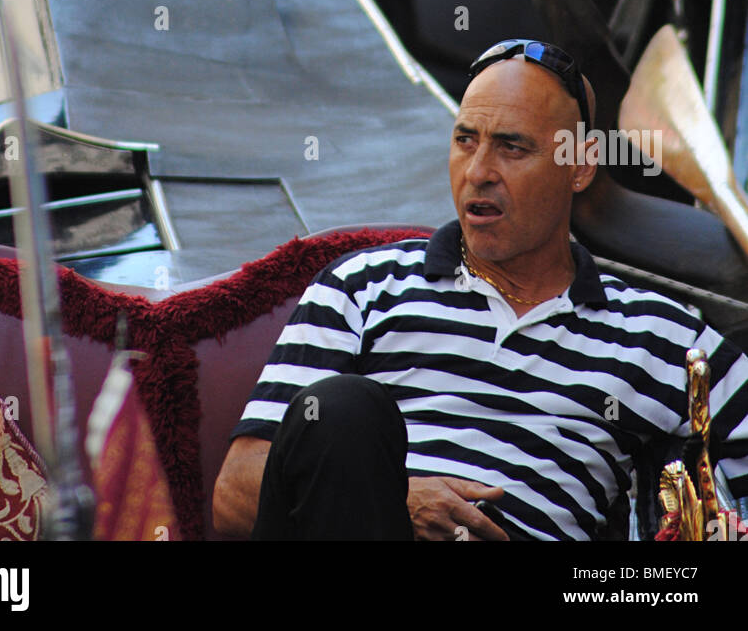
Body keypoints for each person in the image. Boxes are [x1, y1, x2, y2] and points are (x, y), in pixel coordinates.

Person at [212, 39, 748, 541]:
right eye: (465, 140)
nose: (478, 172)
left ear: (579, 167)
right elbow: (235, 495)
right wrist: (395, 498)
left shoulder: (661, 338)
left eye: (512, 148)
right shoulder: (361, 287)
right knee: (341, 409)